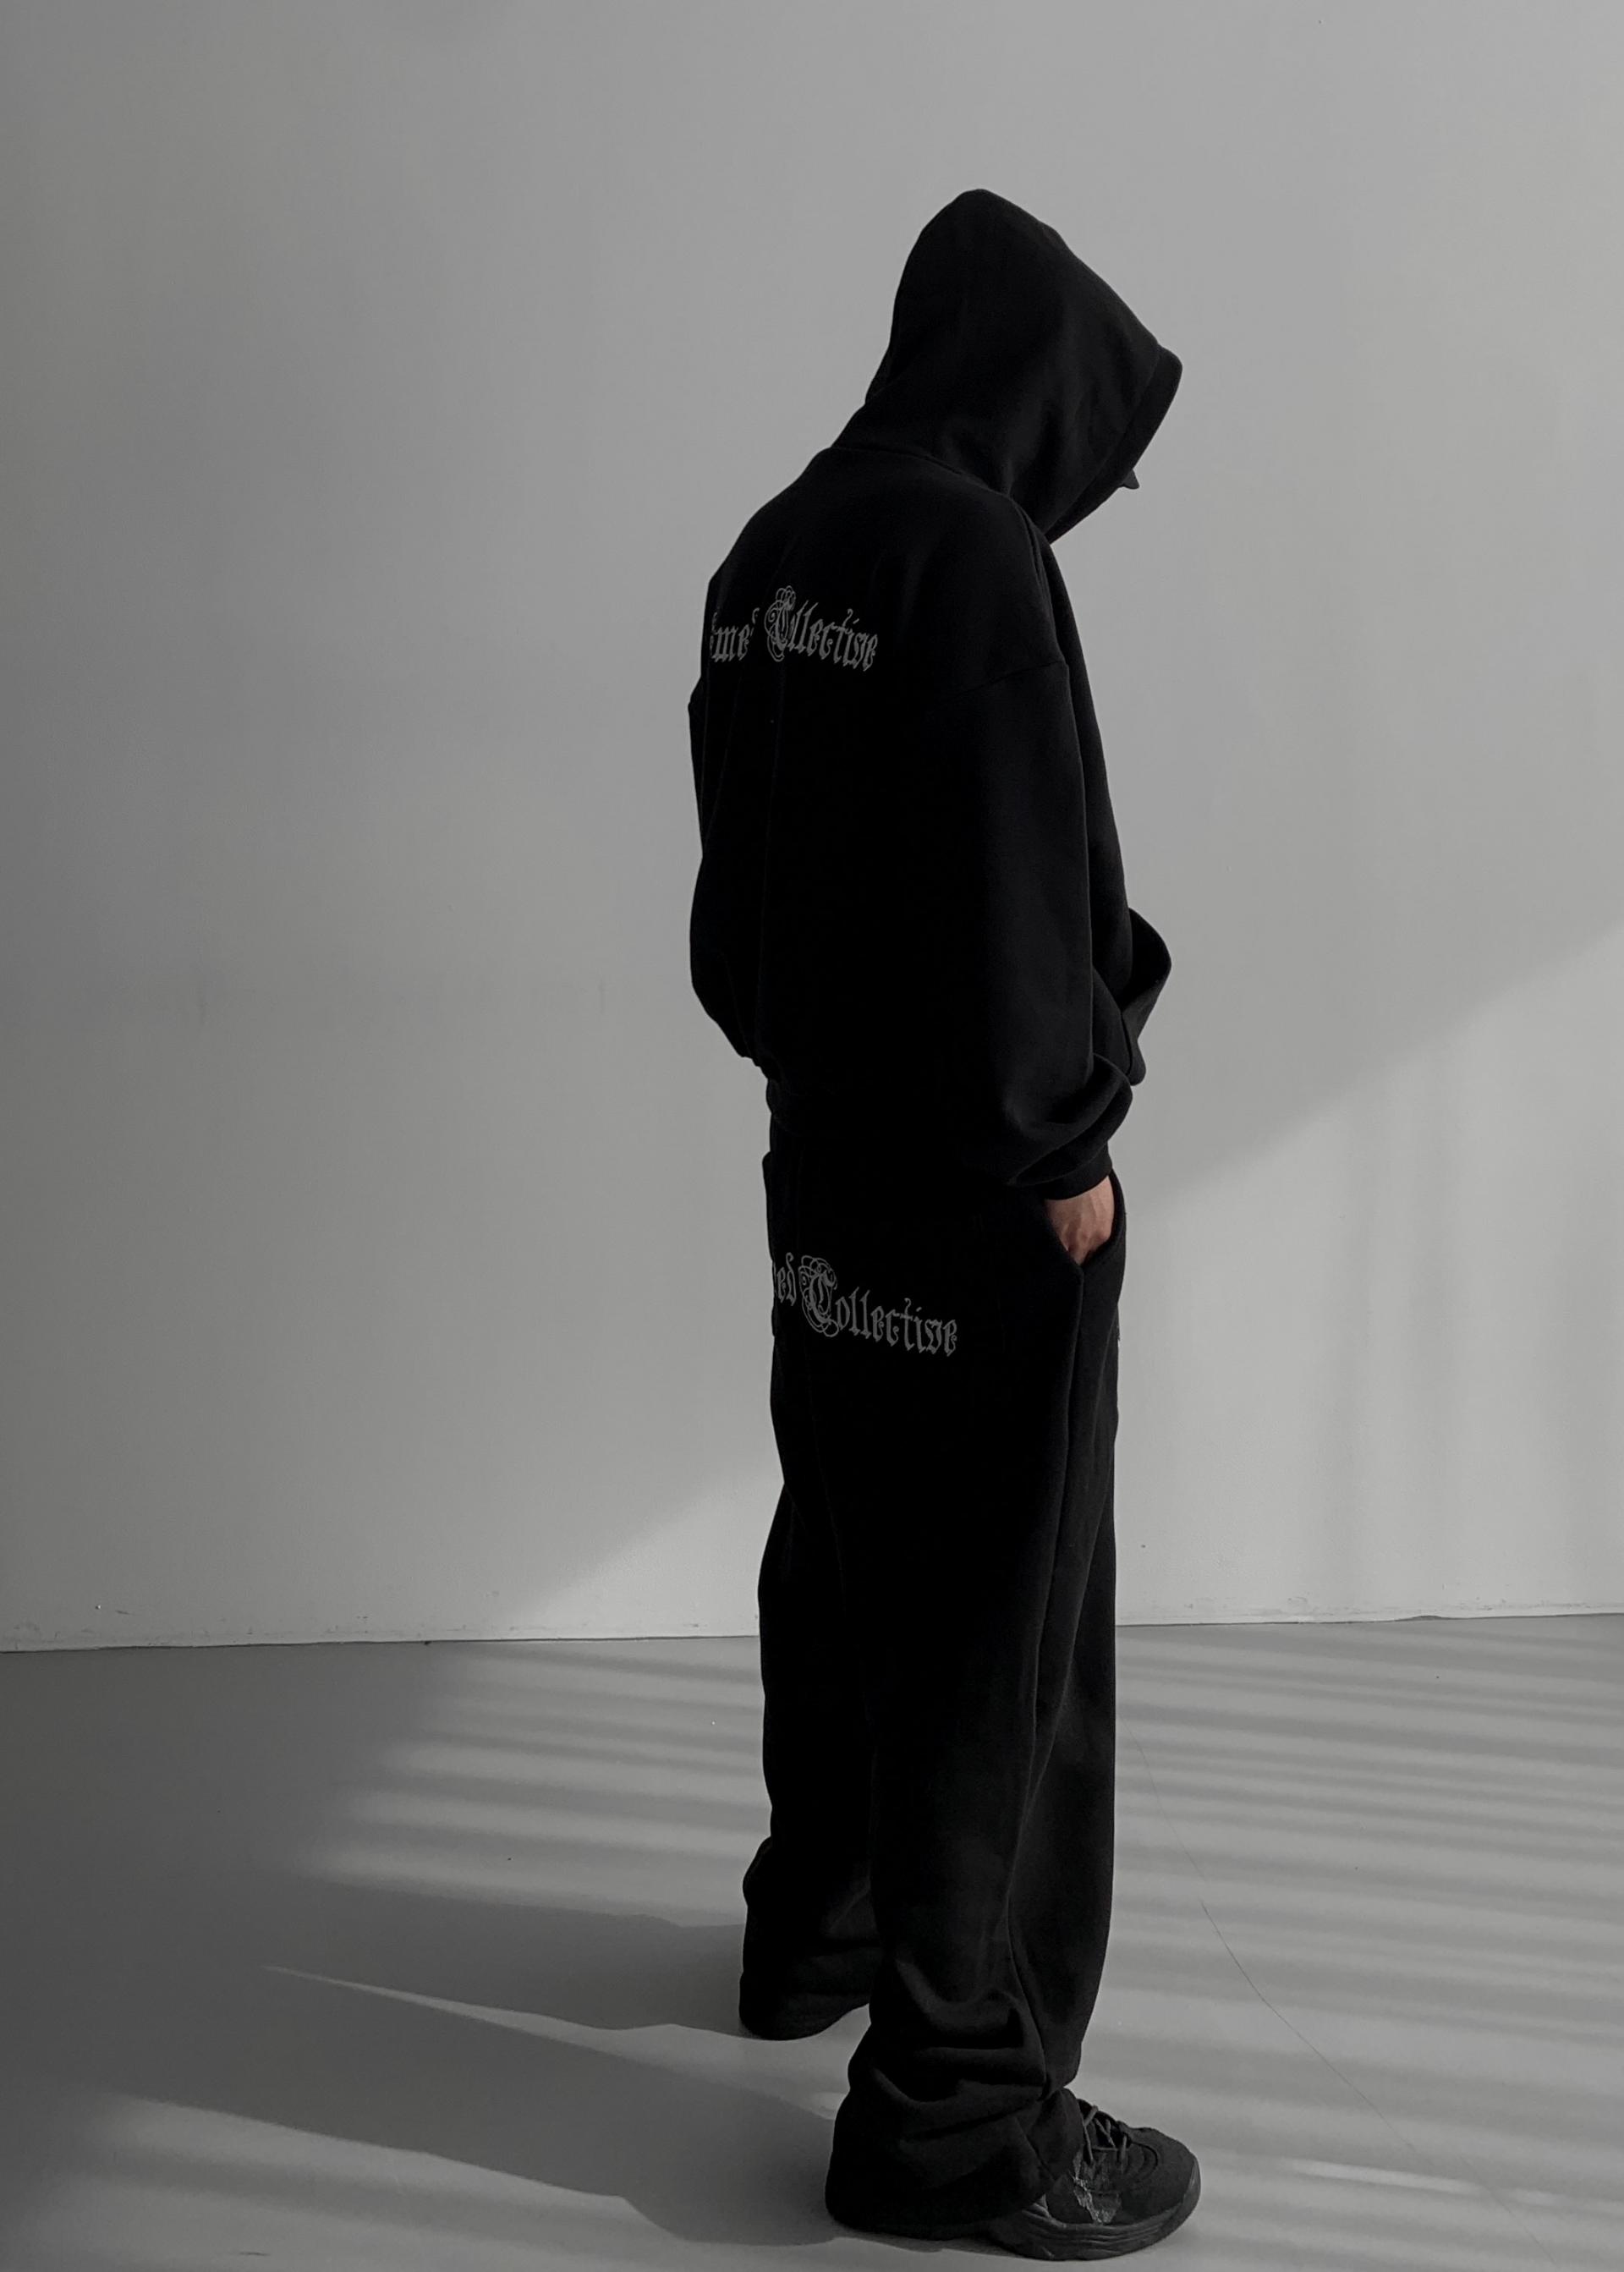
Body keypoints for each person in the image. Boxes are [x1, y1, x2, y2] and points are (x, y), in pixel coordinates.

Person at [684, 186, 1199, 2258]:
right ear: (1032, 383)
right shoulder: (972, 555)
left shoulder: (770, 555)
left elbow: (742, 916)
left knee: (842, 1555)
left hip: (824, 1163)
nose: (1097, 491)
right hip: (986, 1192)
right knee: (1003, 1634)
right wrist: (1066, 1148)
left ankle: (818, 1926)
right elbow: (1011, 870)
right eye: (1100, 444)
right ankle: (958, 2109)